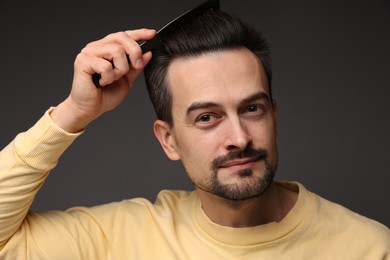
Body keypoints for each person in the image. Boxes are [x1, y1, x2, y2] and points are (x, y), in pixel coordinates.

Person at [0, 9, 389, 260]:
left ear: (274, 116)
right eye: (207, 117)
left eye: (252, 109)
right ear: (168, 140)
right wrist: (72, 113)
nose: (239, 137)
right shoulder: (118, 239)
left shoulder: (370, 248)